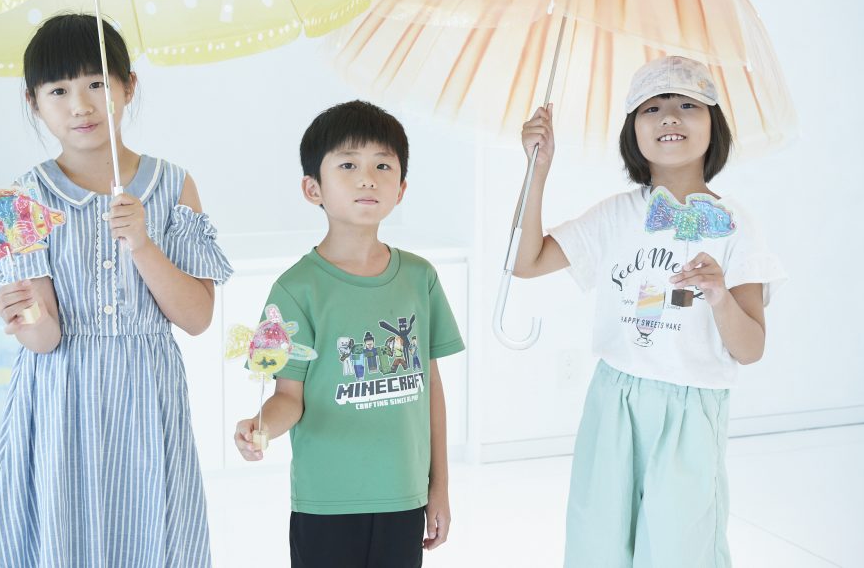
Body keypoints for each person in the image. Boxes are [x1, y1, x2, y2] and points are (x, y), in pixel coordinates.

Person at [0, 14, 232, 567]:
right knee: (67, 536)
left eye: (96, 83)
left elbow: (197, 317)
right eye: (59, 90)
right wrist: (24, 313)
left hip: (144, 392)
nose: (80, 105)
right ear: (33, 101)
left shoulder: (173, 184)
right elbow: (45, 340)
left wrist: (142, 243)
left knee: (149, 531)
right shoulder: (25, 198)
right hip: (63, 395)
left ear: (127, 86)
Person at [513, 56, 785, 567]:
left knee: (680, 547)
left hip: (691, 408)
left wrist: (719, 293)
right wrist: (537, 171)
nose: (669, 117)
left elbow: (750, 350)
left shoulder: (737, 225)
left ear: (714, 126)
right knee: (599, 539)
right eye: (652, 107)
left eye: (688, 105)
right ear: (632, 129)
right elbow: (525, 262)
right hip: (613, 398)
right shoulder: (616, 214)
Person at [234, 101, 465, 568]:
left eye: (383, 165)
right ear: (312, 188)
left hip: (403, 497)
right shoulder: (295, 288)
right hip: (327, 502)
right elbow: (288, 397)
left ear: (400, 189)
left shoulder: (420, 278)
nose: (367, 178)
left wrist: (438, 488)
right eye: (348, 164)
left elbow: (430, 388)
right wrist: (263, 426)